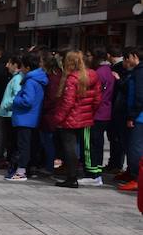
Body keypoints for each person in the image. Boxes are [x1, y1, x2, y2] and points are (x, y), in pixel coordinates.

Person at [50, 50, 101, 189]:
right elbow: (97, 99)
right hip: (85, 116)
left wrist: (58, 119)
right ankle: (80, 173)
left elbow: (67, 102)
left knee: (69, 148)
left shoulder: (72, 78)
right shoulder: (93, 75)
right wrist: (90, 112)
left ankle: (71, 177)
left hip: (70, 118)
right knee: (84, 147)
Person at [7, 52, 48, 182]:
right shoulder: (39, 79)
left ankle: (21, 171)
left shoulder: (30, 81)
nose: (21, 69)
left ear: (28, 68)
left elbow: (27, 101)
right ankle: (30, 168)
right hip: (32, 118)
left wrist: (15, 100)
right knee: (30, 145)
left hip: (25, 118)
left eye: (22, 66)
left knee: (23, 146)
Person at [85, 48, 115, 186]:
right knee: (98, 144)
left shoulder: (98, 73)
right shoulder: (109, 72)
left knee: (91, 144)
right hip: (105, 112)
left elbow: (95, 96)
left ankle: (93, 174)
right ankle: (96, 172)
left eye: (89, 55)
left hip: (96, 114)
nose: (88, 58)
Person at [121, 49, 143, 191]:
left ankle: (137, 178)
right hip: (138, 114)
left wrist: (132, 116)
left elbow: (139, 95)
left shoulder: (139, 72)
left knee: (135, 147)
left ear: (135, 56)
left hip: (139, 116)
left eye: (127, 58)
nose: (126, 61)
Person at [0, 55, 23, 172]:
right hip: (7, 113)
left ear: (15, 65)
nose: (7, 66)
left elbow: (17, 95)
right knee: (9, 140)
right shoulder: (14, 78)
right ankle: (9, 160)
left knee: (11, 140)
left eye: (9, 63)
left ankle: (11, 162)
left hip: (10, 114)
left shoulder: (17, 79)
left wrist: (7, 106)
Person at [108, 46, 131, 175]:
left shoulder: (131, 71)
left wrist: (118, 80)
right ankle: (114, 163)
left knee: (121, 140)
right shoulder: (119, 68)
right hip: (116, 108)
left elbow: (127, 89)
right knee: (114, 138)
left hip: (122, 110)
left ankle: (119, 165)